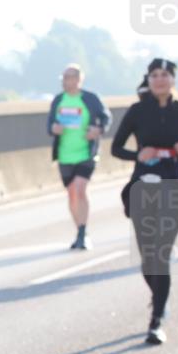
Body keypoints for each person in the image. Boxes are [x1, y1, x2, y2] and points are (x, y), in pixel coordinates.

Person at [111, 58, 178, 345]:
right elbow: (116, 148)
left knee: (161, 254)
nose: (159, 79)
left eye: (165, 75)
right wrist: (139, 155)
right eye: (154, 75)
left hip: (173, 182)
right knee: (148, 256)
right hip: (143, 185)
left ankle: (157, 319)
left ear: (173, 80)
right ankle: (158, 296)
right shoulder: (138, 110)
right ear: (148, 79)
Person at [47, 64, 112, 250]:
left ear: (78, 79)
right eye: (64, 77)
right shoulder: (58, 100)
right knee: (72, 193)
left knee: (80, 188)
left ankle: (83, 232)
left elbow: (106, 118)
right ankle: (79, 230)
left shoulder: (90, 99)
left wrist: (98, 130)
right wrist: (54, 128)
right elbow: (50, 124)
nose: (66, 81)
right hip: (64, 154)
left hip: (86, 152)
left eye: (70, 77)